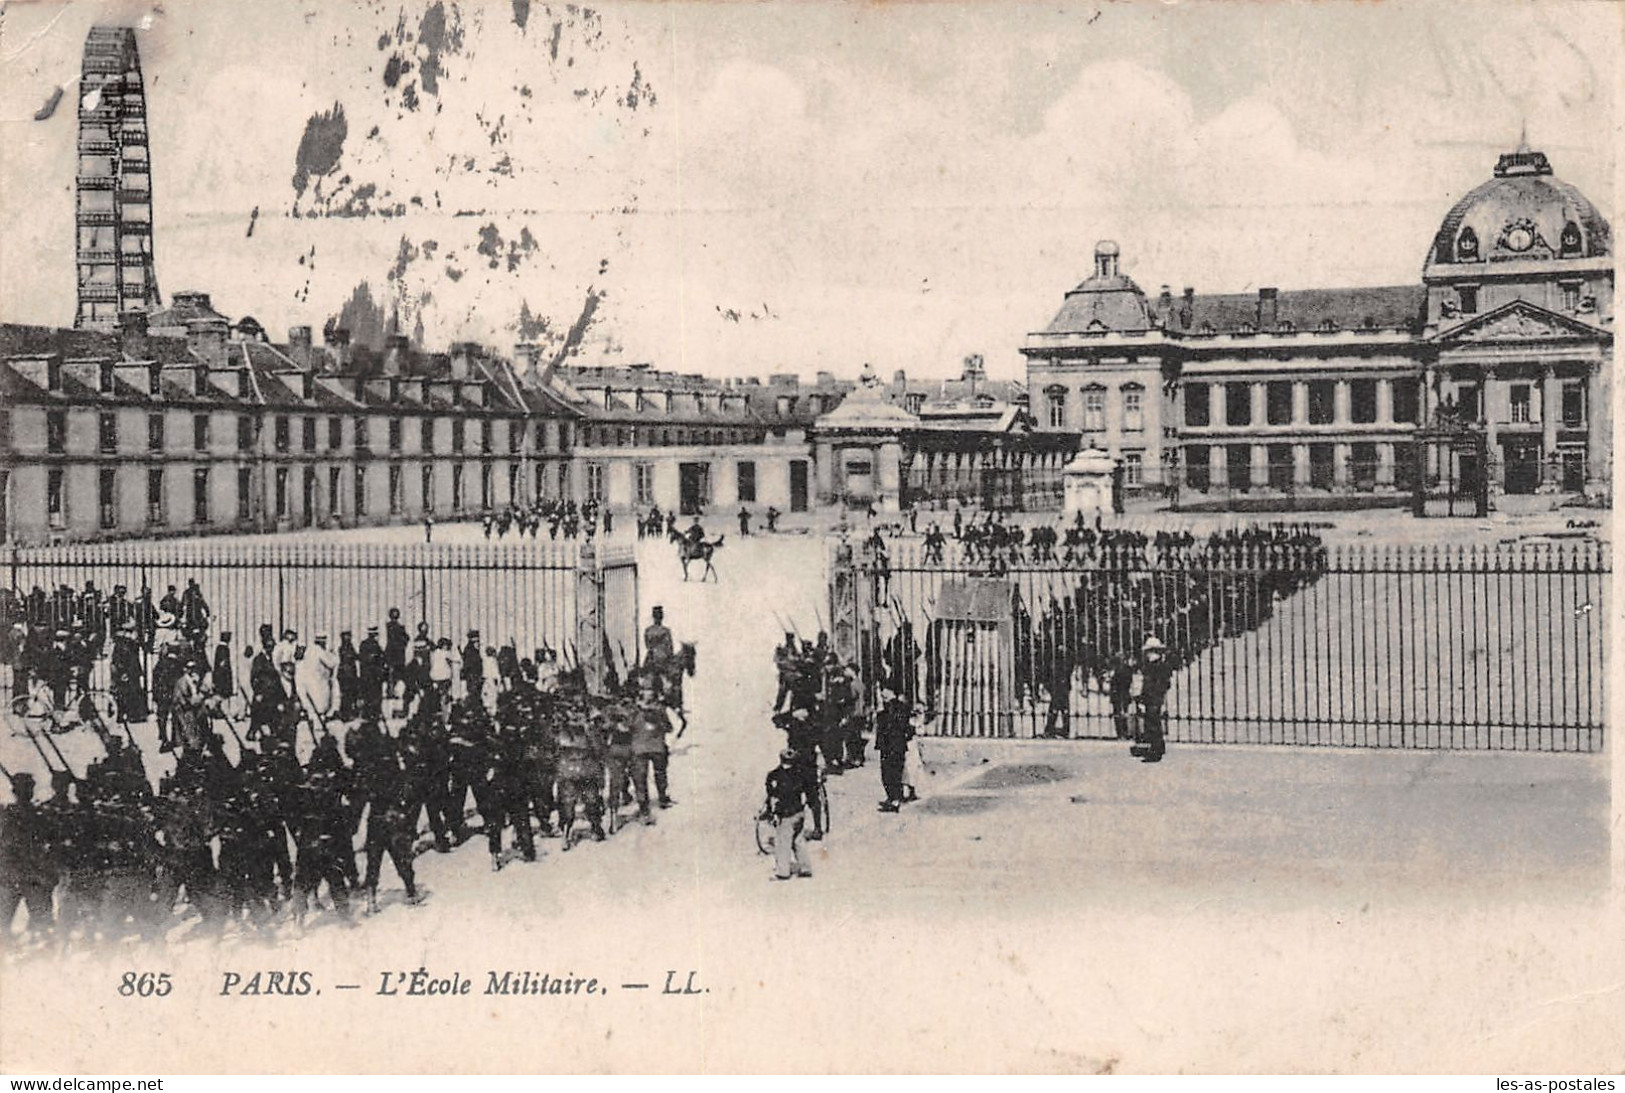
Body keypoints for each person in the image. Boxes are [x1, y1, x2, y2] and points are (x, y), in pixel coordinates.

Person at [761, 748, 813, 881]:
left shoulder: (775, 775)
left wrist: (770, 811)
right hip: (799, 812)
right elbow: (809, 791)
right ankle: (805, 867)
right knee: (798, 840)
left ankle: (783, 871)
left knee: (783, 842)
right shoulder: (800, 773)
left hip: (786, 814)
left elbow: (772, 795)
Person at [1131, 636, 1174, 763]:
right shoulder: (1155, 665)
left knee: (1152, 723)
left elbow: (1156, 683)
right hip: (1153, 697)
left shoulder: (1156, 666)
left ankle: (1155, 751)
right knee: (1152, 722)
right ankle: (1158, 747)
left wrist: (1149, 695)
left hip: (1153, 697)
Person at [874, 689, 914, 812]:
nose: (882, 695)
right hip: (898, 746)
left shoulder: (887, 710)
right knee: (895, 772)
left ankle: (894, 799)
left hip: (889, 746)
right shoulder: (902, 708)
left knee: (888, 774)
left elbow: (884, 728)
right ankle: (894, 798)